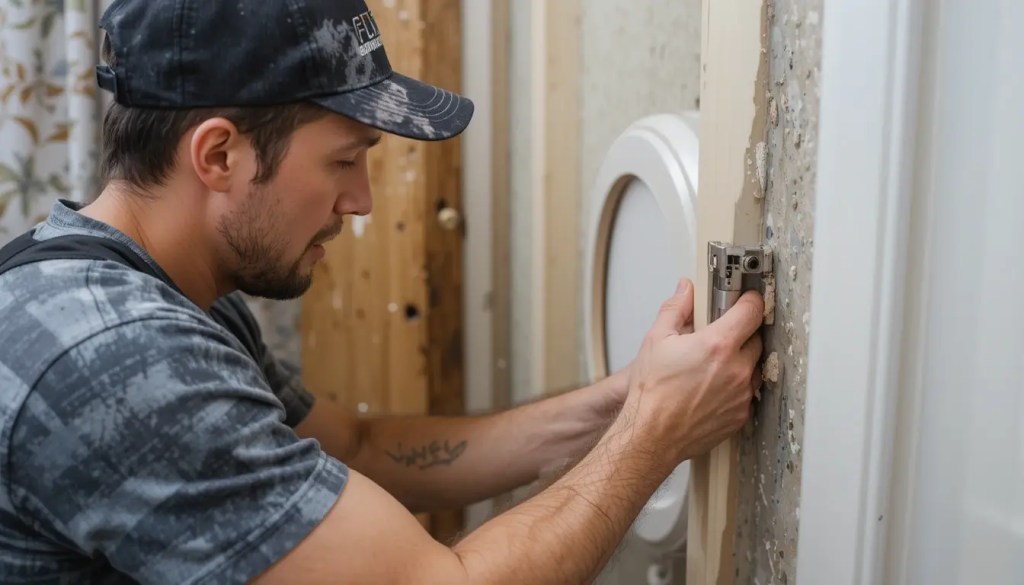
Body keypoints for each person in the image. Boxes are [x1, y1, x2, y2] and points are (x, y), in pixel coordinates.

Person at [0, 0, 764, 583]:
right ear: (220, 154)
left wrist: (622, 399)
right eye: (343, 160)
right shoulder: (117, 356)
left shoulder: (147, 289)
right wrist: (657, 431)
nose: (361, 200)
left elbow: (360, 449)